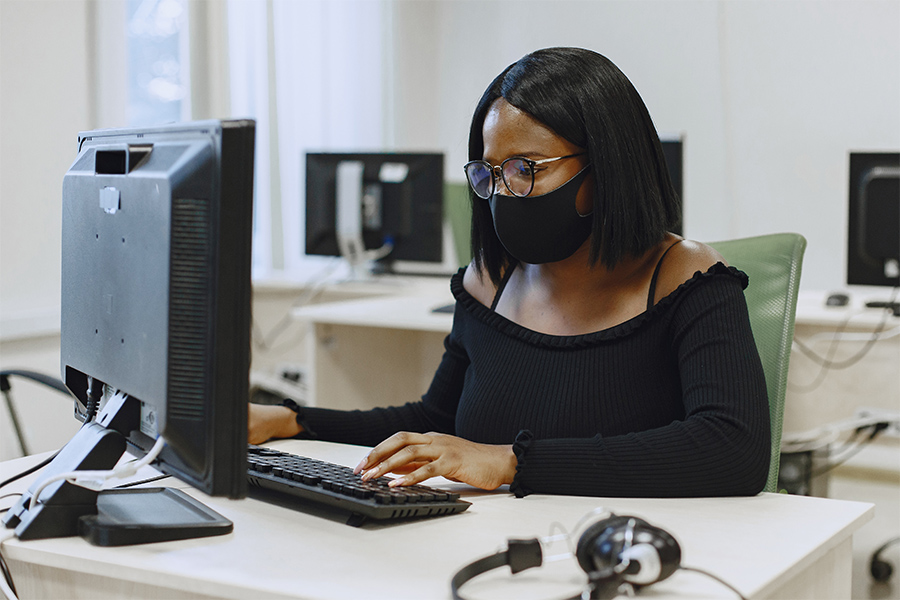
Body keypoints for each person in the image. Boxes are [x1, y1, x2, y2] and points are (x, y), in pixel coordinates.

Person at [249, 47, 770, 498]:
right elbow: (437, 423)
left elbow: (732, 446)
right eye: (489, 172)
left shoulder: (686, 276)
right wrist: (294, 421)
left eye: (526, 169)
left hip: (625, 555)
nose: (502, 193)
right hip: (492, 550)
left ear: (604, 166)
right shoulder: (490, 281)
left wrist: (509, 462)